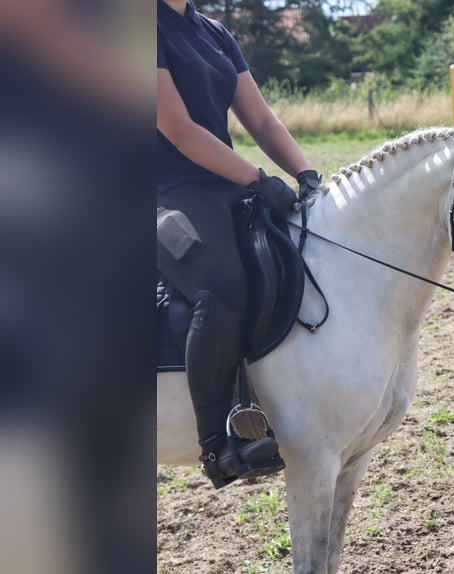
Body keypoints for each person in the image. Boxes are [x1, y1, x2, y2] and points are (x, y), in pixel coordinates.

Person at [156, 0, 320, 489]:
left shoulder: (214, 33)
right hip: (161, 190)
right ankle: (219, 444)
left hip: (222, 184)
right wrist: (256, 177)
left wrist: (306, 173)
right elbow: (179, 129)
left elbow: (262, 121)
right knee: (220, 283)